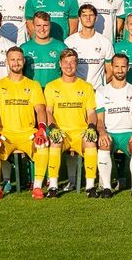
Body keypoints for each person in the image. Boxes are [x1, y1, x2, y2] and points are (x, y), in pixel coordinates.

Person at [0, 46, 51, 200]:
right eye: (12, 59)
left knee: (43, 144)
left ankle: (38, 187)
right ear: (7, 62)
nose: (16, 62)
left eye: (19, 59)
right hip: (5, 132)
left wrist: (41, 129)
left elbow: (40, 109)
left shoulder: (33, 85)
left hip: (27, 133)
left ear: (24, 61)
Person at [42, 49, 100, 197]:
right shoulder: (51, 86)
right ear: (60, 64)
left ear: (77, 64)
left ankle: (90, 187)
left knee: (90, 140)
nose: (69, 66)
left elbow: (91, 113)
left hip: (80, 132)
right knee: (56, 140)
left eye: (72, 62)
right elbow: (48, 111)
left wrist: (92, 127)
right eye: (66, 62)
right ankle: (53, 187)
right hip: (62, 131)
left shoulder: (86, 87)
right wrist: (53, 128)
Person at [94, 54, 132, 198]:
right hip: (110, 133)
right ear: (111, 67)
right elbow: (99, 120)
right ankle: (106, 188)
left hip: (128, 133)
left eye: (123, 66)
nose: (119, 70)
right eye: (116, 66)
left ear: (128, 68)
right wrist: (102, 133)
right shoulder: (101, 91)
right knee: (104, 144)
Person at [64, 3, 115, 87]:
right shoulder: (69, 42)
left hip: (97, 92)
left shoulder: (105, 42)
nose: (88, 18)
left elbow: (110, 71)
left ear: (96, 18)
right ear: (79, 19)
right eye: (84, 15)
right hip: (75, 90)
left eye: (91, 15)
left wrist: (100, 87)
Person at [20, 11, 66, 87]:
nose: (42, 29)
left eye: (45, 25)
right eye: (38, 25)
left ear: (50, 26)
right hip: (32, 93)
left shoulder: (61, 47)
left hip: (55, 93)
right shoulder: (24, 48)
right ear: (33, 26)